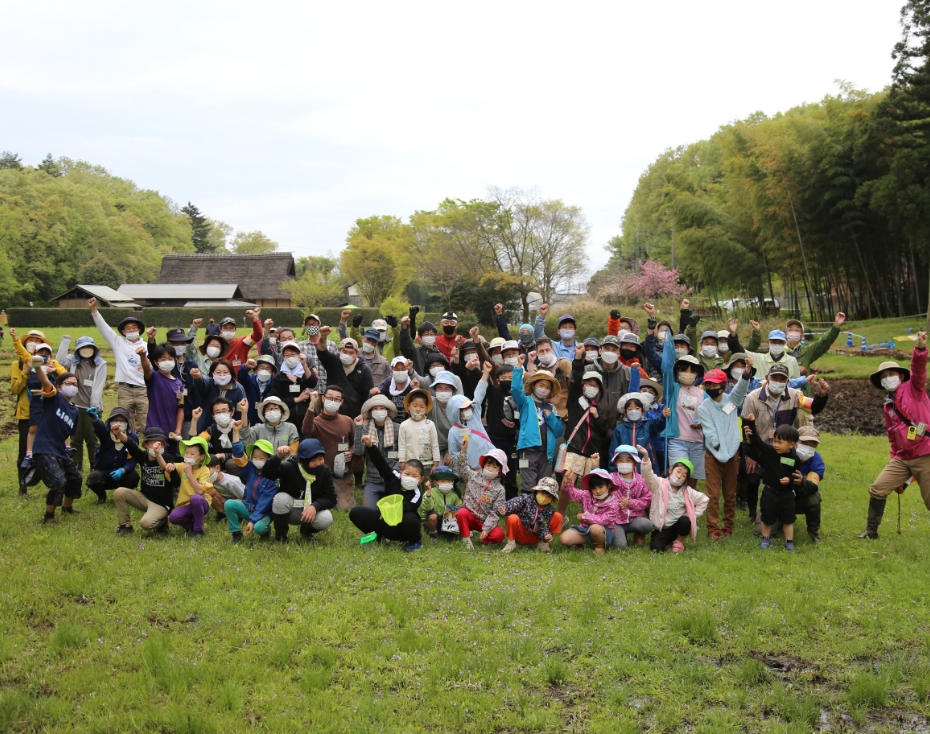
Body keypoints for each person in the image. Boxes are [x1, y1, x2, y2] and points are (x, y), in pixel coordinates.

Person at [859, 332, 930, 539]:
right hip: (902, 458)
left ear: (900, 376)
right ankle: (871, 531)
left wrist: (920, 348)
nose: (887, 378)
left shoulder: (913, 389)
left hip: (924, 453)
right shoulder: (888, 405)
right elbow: (892, 435)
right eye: (883, 376)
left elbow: (918, 370)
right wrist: (894, 457)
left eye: (891, 374)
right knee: (878, 488)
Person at [740, 363, 830, 523]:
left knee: (786, 478)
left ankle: (785, 511)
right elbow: (746, 426)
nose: (778, 381)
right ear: (767, 378)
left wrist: (821, 396)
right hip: (761, 447)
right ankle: (752, 513)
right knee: (752, 479)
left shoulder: (795, 395)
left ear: (788, 381)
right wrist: (751, 454)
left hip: (784, 449)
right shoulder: (752, 397)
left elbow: (814, 408)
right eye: (775, 378)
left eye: (782, 379)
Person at [697, 364, 752, 539]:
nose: (711, 388)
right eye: (708, 385)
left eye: (715, 385)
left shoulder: (732, 401)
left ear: (724, 386)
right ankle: (713, 527)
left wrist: (747, 373)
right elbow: (709, 430)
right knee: (712, 494)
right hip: (713, 455)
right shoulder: (704, 407)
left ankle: (728, 525)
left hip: (733, 455)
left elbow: (741, 388)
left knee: (730, 493)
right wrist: (718, 445)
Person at [742, 419, 811, 552]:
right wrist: (751, 425)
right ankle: (765, 538)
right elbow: (758, 442)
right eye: (775, 441)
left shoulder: (794, 459)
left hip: (787, 495)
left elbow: (795, 475)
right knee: (767, 518)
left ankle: (789, 541)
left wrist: (789, 480)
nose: (776, 445)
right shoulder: (769, 452)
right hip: (770, 492)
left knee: (788, 520)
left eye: (780, 442)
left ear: (792, 445)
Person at [349, 437, 425, 551]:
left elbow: (405, 507)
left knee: (410, 519)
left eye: (415, 476)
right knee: (356, 512)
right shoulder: (393, 478)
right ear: (401, 472)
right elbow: (381, 463)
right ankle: (377, 536)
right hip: (383, 520)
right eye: (407, 474)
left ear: (421, 479)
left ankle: (415, 541)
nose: (410, 478)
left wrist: (389, 507)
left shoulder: (417, 494)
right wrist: (370, 446)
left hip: (400, 528)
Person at [11, 329, 67, 478]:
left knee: (50, 445)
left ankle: (50, 477)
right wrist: (26, 371)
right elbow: (15, 389)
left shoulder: (51, 362)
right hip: (26, 412)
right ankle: (23, 484)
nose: (33, 343)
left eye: (37, 341)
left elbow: (66, 376)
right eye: (30, 341)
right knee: (24, 448)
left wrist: (54, 370)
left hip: (48, 410)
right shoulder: (20, 364)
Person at [88, 297, 149, 431]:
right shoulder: (118, 343)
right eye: (128, 328)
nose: (131, 330)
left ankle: (149, 448)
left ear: (139, 329)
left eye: (134, 327)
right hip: (125, 389)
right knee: (125, 421)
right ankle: (127, 448)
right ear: (123, 331)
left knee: (146, 421)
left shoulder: (147, 345)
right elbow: (104, 329)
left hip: (143, 389)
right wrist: (94, 310)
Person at [33, 366, 82, 525]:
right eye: (69, 383)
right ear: (59, 386)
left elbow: (66, 433)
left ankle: (67, 508)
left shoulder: (75, 411)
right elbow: (45, 380)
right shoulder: (54, 397)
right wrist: (37, 367)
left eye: (75, 384)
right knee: (58, 481)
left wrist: (66, 448)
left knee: (75, 478)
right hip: (44, 448)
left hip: (60, 450)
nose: (72, 387)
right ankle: (49, 516)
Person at [264, 439, 336, 543]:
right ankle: (280, 536)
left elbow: (331, 498)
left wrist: (315, 506)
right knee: (280, 499)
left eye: (320, 459)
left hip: (310, 513)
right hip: (290, 510)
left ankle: (306, 531)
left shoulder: (325, 471)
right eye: (313, 461)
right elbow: (268, 473)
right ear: (301, 462)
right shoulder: (290, 466)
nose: (318, 463)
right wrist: (278, 457)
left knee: (326, 518)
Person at [112, 427, 179, 535]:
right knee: (119, 492)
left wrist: (171, 468)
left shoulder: (167, 457)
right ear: (146, 445)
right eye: (154, 443)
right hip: (144, 497)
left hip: (161, 503)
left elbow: (176, 482)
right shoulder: (143, 457)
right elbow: (131, 445)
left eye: (160, 444)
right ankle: (125, 526)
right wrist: (119, 434)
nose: (157, 447)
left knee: (145, 524)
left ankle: (162, 521)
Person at [55, 335, 107, 473]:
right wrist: (65, 341)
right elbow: (58, 362)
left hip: (91, 408)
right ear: (78, 349)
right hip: (74, 406)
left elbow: (98, 386)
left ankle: (94, 466)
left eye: (89, 347)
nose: (86, 350)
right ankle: (76, 467)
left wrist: (94, 407)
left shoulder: (100, 364)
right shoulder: (72, 361)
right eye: (83, 347)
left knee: (92, 439)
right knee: (75, 439)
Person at [641, 448, 709, 552]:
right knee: (655, 548)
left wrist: (693, 515)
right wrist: (646, 458)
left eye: (684, 475)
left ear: (686, 480)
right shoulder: (659, 484)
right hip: (664, 528)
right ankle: (668, 541)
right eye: (678, 471)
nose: (679, 476)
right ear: (671, 470)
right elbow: (648, 476)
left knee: (685, 520)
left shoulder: (687, 491)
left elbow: (704, 499)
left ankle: (679, 541)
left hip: (678, 527)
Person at [511, 361, 564, 491]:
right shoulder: (525, 402)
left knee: (543, 488)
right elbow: (516, 390)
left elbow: (558, 431)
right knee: (528, 486)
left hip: (546, 453)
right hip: (528, 450)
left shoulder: (551, 407)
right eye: (541, 385)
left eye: (547, 387)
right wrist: (518, 367)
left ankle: (540, 511)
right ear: (534, 386)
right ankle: (526, 510)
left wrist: (551, 417)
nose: (544, 389)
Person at [301, 385, 355, 510]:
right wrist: (311, 405)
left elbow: (353, 444)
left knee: (345, 508)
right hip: (320, 472)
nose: (333, 401)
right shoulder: (316, 422)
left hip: (342, 473)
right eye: (330, 398)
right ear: (323, 399)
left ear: (341, 402)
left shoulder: (347, 421)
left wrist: (350, 453)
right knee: (319, 503)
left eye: (337, 399)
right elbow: (306, 430)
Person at [454, 435, 506, 549]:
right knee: (461, 513)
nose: (491, 469)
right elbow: (463, 468)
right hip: (470, 516)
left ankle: (484, 539)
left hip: (485, 520)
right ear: (483, 465)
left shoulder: (500, 489)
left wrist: (487, 529)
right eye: (488, 465)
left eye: (495, 467)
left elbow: (495, 512)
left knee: (499, 536)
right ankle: (466, 538)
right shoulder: (473, 477)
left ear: (500, 470)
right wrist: (463, 451)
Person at [662, 353, 706, 488]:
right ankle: (675, 507)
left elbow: (710, 414)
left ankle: (689, 506)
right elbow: (666, 371)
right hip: (677, 441)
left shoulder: (703, 394)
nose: (688, 373)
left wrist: (700, 421)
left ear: (697, 374)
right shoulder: (672, 388)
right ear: (678, 372)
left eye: (692, 371)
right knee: (677, 477)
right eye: (684, 370)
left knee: (692, 479)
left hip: (698, 442)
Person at [223, 439, 278, 544]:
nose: (257, 460)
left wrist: (252, 521)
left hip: (264, 512)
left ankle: (265, 532)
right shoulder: (250, 468)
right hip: (248, 507)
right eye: (255, 457)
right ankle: (236, 533)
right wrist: (235, 433)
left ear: (269, 458)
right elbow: (239, 455)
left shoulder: (273, 477)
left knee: (259, 528)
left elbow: (264, 502)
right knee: (229, 504)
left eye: (261, 458)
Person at [309, 334, 373, 419]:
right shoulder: (333, 361)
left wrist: (364, 415)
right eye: (344, 351)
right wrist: (323, 337)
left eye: (351, 353)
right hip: (331, 413)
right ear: (339, 350)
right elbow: (321, 352)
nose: (347, 355)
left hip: (354, 416)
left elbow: (367, 395)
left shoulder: (365, 370)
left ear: (357, 353)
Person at [86, 407, 140, 504]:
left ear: (127, 423)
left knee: (134, 477)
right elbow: (99, 429)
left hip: (123, 474)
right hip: (104, 473)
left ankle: (123, 494)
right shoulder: (106, 434)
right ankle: (101, 496)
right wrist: (95, 419)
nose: (118, 423)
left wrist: (123, 470)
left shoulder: (132, 437)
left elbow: (132, 459)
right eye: (115, 420)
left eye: (122, 420)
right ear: (110, 421)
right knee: (93, 478)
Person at [559, 469, 620, 554]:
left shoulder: (614, 502)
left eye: (601, 487)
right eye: (594, 488)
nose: (598, 491)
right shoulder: (587, 495)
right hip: (585, 529)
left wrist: (584, 517)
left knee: (595, 528)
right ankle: (583, 541)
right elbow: (572, 493)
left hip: (603, 531)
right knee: (563, 539)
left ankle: (600, 545)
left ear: (609, 485)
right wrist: (568, 482)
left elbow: (604, 520)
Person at [353, 395, 399, 508]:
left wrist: (395, 475)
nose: (379, 411)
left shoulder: (398, 428)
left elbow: (403, 454)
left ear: (388, 411)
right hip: (372, 480)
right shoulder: (365, 428)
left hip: (393, 478)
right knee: (368, 511)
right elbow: (358, 452)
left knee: (390, 510)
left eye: (382, 408)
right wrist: (358, 428)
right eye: (375, 408)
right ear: (370, 411)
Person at [446, 361, 494, 469]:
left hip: (491, 464)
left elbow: (479, 393)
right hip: (473, 470)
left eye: (469, 407)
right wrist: (465, 467)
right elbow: (453, 454)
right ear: (455, 412)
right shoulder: (453, 432)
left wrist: (485, 373)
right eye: (464, 409)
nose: (468, 410)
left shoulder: (475, 415)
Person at [482, 363, 519, 500]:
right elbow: (483, 381)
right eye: (504, 377)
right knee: (493, 469)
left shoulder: (519, 395)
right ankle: (490, 498)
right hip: (495, 438)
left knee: (511, 472)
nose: (508, 380)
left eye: (511, 377)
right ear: (498, 380)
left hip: (512, 439)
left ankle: (511, 500)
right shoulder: (493, 392)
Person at [496, 477, 562, 553]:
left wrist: (545, 536)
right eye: (543, 493)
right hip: (520, 534)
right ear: (537, 491)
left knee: (558, 516)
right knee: (513, 518)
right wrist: (504, 509)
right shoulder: (525, 499)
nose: (545, 497)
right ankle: (511, 543)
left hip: (536, 537)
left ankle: (543, 543)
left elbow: (544, 526)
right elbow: (511, 504)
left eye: (549, 496)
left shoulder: (549, 510)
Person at [167, 437, 214, 539]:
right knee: (173, 518)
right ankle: (192, 526)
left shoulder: (204, 470)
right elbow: (169, 467)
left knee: (195, 498)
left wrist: (189, 474)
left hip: (201, 502)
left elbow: (200, 491)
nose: (188, 456)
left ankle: (198, 531)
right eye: (186, 453)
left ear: (201, 457)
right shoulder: (182, 466)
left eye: (192, 454)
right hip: (185, 504)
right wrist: (169, 464)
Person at [608, 446, 654, 547]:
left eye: (628, 460)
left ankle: (639, 535)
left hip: (635, 518)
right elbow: (598, 487)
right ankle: (620, 535)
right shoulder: (610, 479)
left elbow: (647, 499)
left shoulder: (641, 480)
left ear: (634, 463)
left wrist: (630, 503)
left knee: (647, 524)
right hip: (616, 521)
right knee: (621, 545)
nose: (624, 463)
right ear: (616, 462)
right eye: (620, 460)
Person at [726, 321, 800, 380]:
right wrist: (733, 335)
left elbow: (797, 384)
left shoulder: (792, 361)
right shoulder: (758, 359)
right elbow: (738, 351)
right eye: (774, 342)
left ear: (785, 343)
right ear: (768, 342)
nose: (777, 345)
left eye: (780, 343)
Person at [189, 358, 246, 434]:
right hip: (205, 429)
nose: (222, 375)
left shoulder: (238, 389)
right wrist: (197, 378)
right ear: (212, 373)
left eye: (225, 372)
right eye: (218, 372)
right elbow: (201, 385)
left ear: (231, 373)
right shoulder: (209, 384)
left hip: (229, 432)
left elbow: (241, 412)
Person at [609, 392, 665, 467]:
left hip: (646, 468)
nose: (634, 411)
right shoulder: (619, 429)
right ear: (625, 412)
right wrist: (613, 469)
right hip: (625, 468)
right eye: (630, 409)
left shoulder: (649, 425)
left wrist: (663, 416)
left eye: (637, 408)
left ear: (643, 411)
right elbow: (613, 450)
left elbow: (659, 424)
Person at [270, 341, 318, 430]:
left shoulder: (304, 372)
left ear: (299, 355)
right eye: (287, 355)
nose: (290, 358)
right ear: (283, 357)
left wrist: (304, 364)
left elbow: (312, 383)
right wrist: (297, 399)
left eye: (293, 354)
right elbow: (276, 399)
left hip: (305, 418)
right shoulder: (278, 377)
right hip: (286, 419)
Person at [145, 344, 184, 442]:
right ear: (156, 362)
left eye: (170, 359)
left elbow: (181, 408)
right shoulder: (153, 378)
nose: (167, 362)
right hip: (154, 428)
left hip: (171, 431)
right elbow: (147, 369)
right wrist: (142, 356)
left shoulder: (179, 384)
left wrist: (178, 428)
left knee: (170, 457)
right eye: (163, 359)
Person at [794, 426, 825, 543]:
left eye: (812, 445)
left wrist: (801, 481)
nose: (808, 447)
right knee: (761, 531)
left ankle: (813, 531)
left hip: (802, 493)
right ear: (795, 441)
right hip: (780, 494)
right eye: (804, 443)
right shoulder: (785, 453)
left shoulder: (816, 460)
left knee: (814, 497)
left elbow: (813, 485)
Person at [397, 388, 440, 475]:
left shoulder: (430, 425)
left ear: (426, 408)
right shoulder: (404, 425)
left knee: (426, 487)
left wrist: (436, 463)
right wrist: (402, 463)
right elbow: (402, 446)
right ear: (409, 406)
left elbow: (435, 445)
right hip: (410, 464)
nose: (418, 409)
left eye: (422, 406)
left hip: (427, 464)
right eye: (415, 405)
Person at [420, 465, 461, 540]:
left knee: (453, 510)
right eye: (442, 481)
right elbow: (426, 508)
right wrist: (428, 492)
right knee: (433, 516)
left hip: (447, 521)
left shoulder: (454, 495)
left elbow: (459, 507)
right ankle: (433, 533)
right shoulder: (431, 492)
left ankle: (449, 533)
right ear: (435, 483)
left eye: (449, 481)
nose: (446, 483)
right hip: (433, 522)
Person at [374, 356, 418, 423]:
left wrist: (416, 389)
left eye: (403, 369)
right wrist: (374, 393)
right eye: (397, 370)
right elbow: (378, 395)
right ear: (391, 372)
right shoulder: (387, 383)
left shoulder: (413, 383)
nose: (400, 372)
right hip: (390, 423)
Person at [238, 355, 278, 425]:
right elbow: (241, 376)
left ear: (272, 371)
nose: (264, 371)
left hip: (268, 420)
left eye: (268, 368)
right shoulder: (250, 380)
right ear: (256, 369)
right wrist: (246, 367)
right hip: (249, 418)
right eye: (261, 367)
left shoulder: (275, 383)